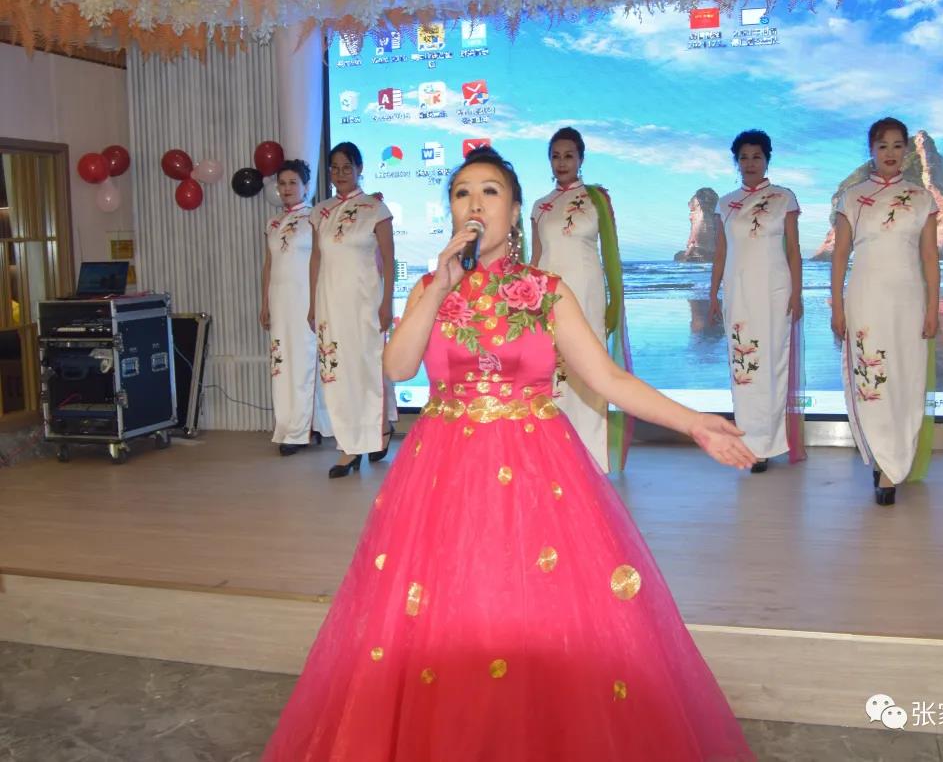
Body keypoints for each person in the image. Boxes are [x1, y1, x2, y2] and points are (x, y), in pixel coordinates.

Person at [262, 147, 756, 761]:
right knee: (445, 618)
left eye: (490, 191)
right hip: (442, 474)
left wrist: (695, 424)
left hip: (535, 473)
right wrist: (439, 285)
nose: (474, 203)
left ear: (516, 211)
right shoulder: (430, 286)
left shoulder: (546, 292)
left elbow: (609, 380)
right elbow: (397, 366)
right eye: (462, 193)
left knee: (531, 611)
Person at [830, 118, 939, 506]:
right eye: (882, 146)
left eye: (897, 145)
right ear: (871, 150)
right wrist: (837, 305)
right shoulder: (852, 197)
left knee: (906, 378)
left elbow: (930, 257)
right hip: (866, 298)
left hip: (909, 299)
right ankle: (883, 461)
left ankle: (894, 460)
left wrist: (933, 307)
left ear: (906, 150)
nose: (890, 153)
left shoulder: (922, 198)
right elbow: (840, 256)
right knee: (872, 378)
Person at [530, 127, 632, 474]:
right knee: (554, 373)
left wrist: (614, 301)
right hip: (548, 295)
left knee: (589, 369)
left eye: (569, 156)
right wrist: (528, 299)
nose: (562, 162)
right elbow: (536, 257)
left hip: (586, 292)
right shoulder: (540, 205)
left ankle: (592, 459)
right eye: (556, 156)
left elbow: (611, 253)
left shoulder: (596, 198)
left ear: (581, 159)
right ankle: (557, 456)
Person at [708, 130, 805, 472]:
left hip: (774, 291)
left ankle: (770, 442)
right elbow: (722, 252)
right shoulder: (725, 203)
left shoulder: (783, 198)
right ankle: (749, 443)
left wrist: (797, 293)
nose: (750, 163)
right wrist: (713, 292)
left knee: (773, 364)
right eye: (744, 158)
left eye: (757, 157)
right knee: (743, 366)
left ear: (767, 160)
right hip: (738, 293)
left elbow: (793, 250)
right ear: (736, 162)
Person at [310, 142, 396, 478]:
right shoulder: (321, 212)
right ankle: (348, 445)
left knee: (365, 371)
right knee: (336, 373)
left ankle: (374, 432)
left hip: (364, 302)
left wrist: (387, 303)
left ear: (360, 169)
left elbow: (389, 259)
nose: (340, 173)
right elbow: (316, 260)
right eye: (335, 167)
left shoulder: (375, 208)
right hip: (330, 302)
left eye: (347, 167)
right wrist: (312, 304)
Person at [259, 160, 328, 455]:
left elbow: (320, 261)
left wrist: (315, 303)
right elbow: (269, 264)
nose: (287, 189)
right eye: (283, 183)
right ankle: (291, 426)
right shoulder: (273, 223)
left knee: (304, 363)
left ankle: (300, 431)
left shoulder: (315, 218)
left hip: (304, 299)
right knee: (282, 365)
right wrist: (264, 302)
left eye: (293, 183)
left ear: (306, 186)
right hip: (279, 300)